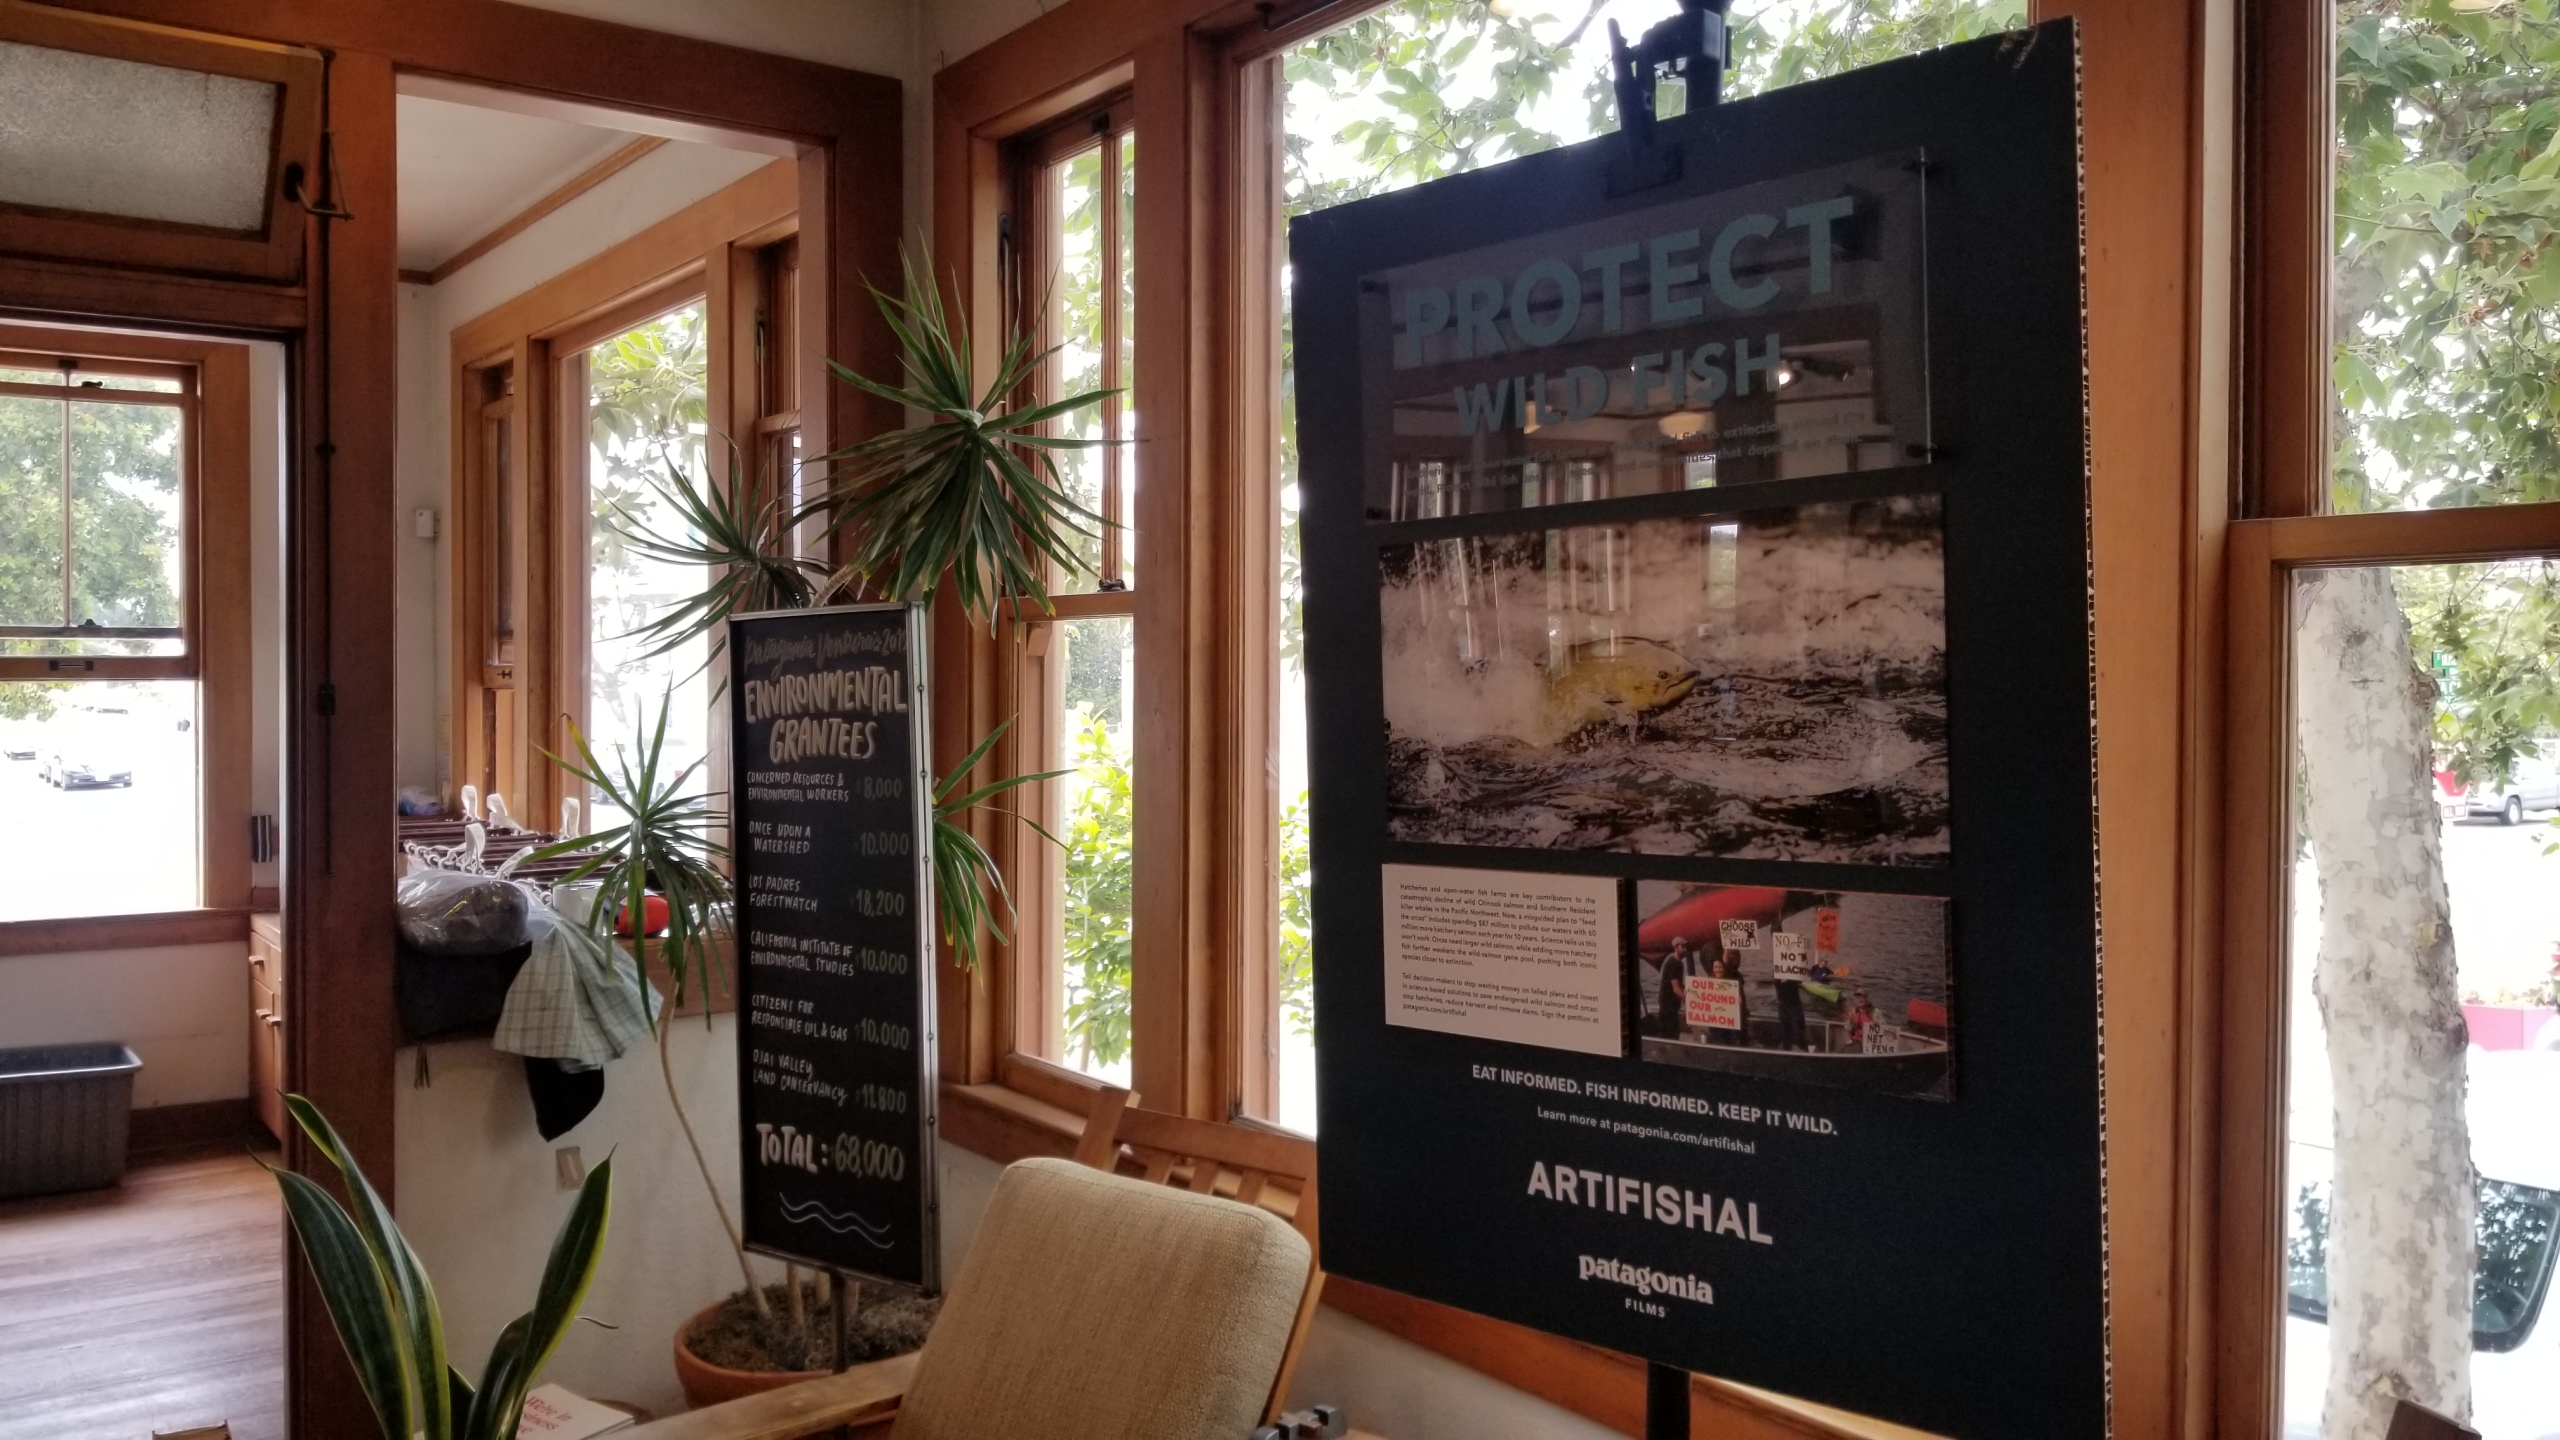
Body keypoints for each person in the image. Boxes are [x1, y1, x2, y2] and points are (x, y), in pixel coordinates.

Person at [1771, 931, 1811, 1051]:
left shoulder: (1794, 972)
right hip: (1783, 1006)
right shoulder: (1778, 971)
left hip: (1795, 1005)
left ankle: (1805, 1053)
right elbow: (1775, 981)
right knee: (1786, 1035)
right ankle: (1786, 1053)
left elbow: (1802, 971)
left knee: (1799, 1035)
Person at [1654, 937, 1697, 1038]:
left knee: (1674, 1034)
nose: (1685, 949)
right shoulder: (1672, 963)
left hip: (1673, 1007)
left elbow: (1679, 984)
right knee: (1669, 1035)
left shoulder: (1679, 964)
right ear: (1676, 947)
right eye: (1682, 947)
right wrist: (1689, 1001)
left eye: (1686, 947)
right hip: (1667, 1007)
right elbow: (1676, 988)